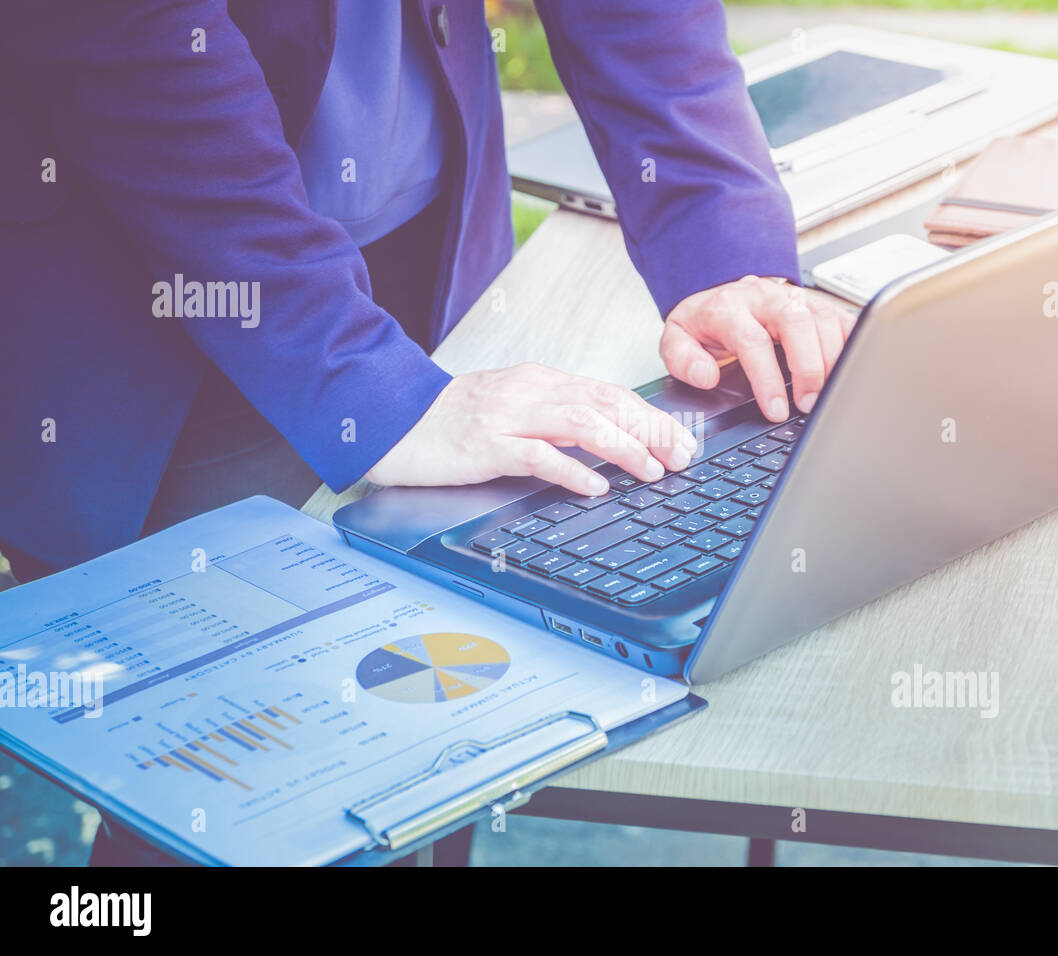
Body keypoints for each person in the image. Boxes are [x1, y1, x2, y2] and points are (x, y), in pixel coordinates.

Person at [0, 0, 852, 863]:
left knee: (416, 758)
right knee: (232, 804)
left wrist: (723, 249)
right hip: (150, 300)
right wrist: (370, 393)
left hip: (429, 244)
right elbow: (127, 44)